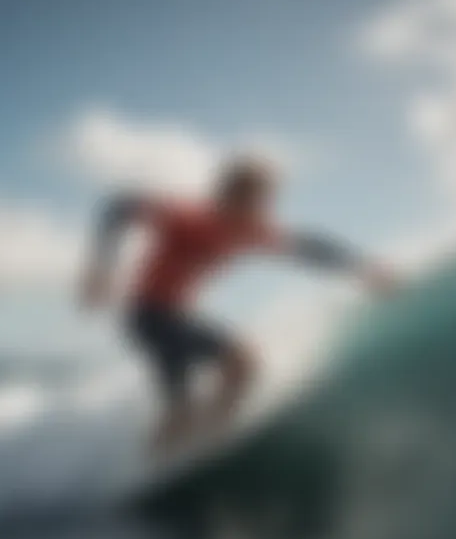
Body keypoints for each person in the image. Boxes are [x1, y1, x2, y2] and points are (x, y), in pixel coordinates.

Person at [79, 156, 397, 454]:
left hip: (173, 315)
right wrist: (101, 268)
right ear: (228, 194)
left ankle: (202, 445)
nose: (261, 207)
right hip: (148, 315)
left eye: (265, 199)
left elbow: (309, 248)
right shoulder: (191, 216)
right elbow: (120, 206)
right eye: (254, 198)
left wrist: (362, 268)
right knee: (196, 397)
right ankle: (168, 459)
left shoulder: (251, 230)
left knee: (241, 370)